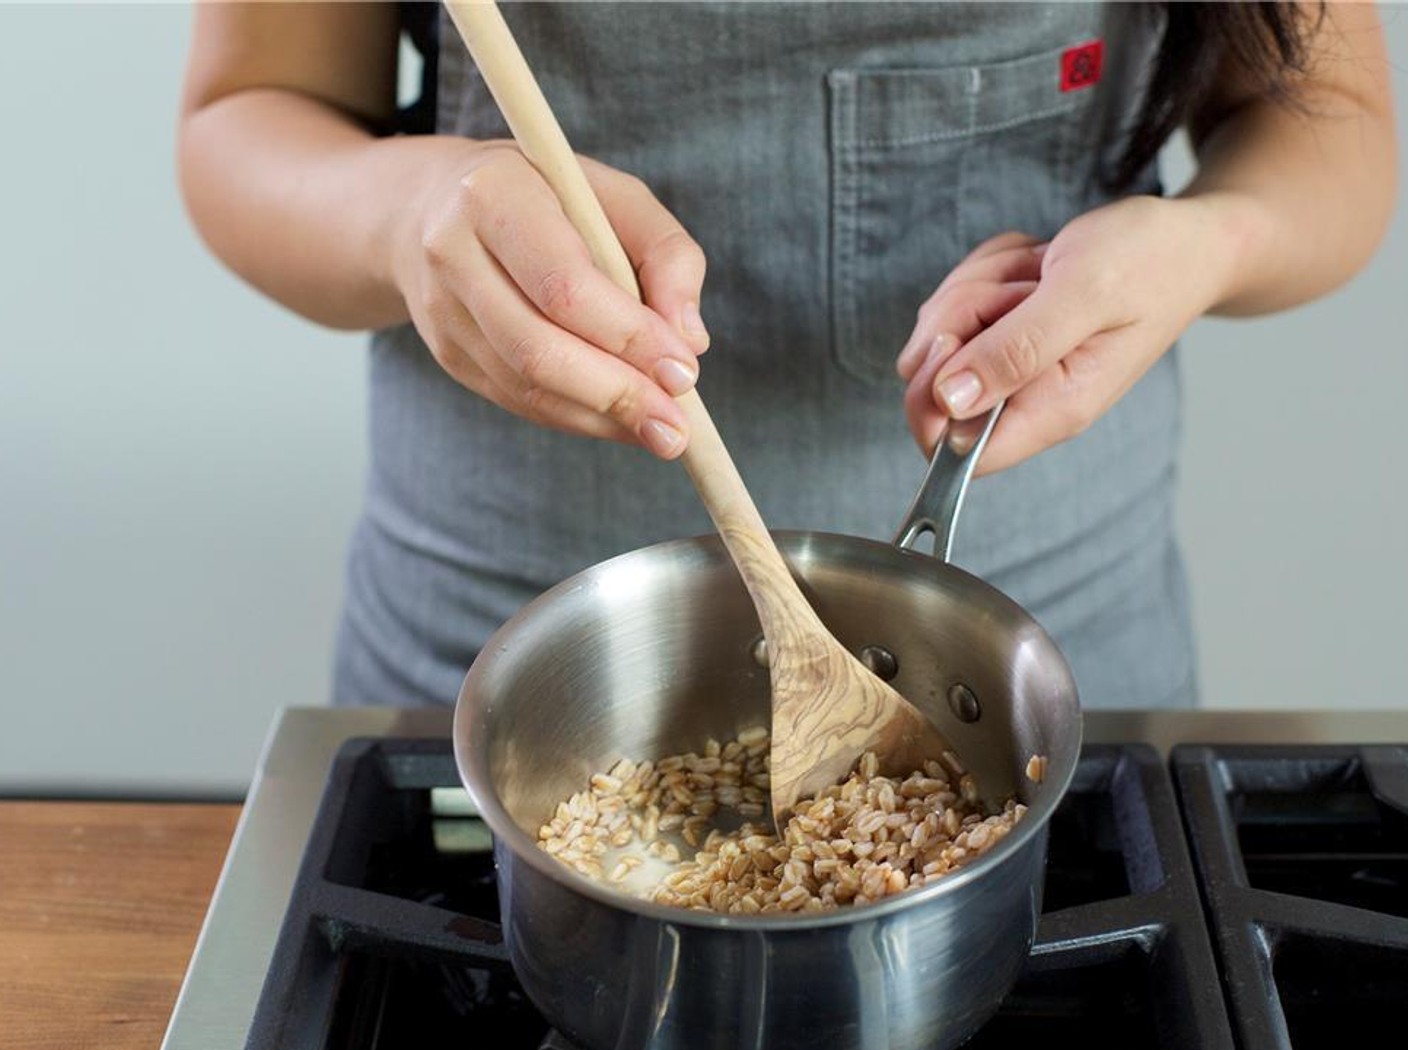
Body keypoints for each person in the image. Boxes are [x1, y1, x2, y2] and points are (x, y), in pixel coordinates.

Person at [178, 2, 1396, 710]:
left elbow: (1328, 123)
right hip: (506, 657)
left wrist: (1200, 242)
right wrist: (406, 213)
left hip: (1054, 656)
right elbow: (247, 113)